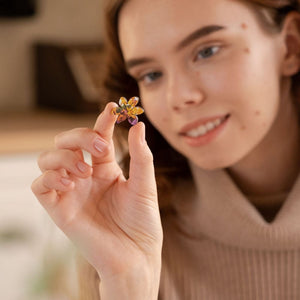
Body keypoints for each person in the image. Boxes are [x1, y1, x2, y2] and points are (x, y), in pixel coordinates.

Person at [31, 0, 300, 299]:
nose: (177, 97)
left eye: (207, 51)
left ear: (290, 45)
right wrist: (128, 283)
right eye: (151, 75)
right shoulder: (126, 229)